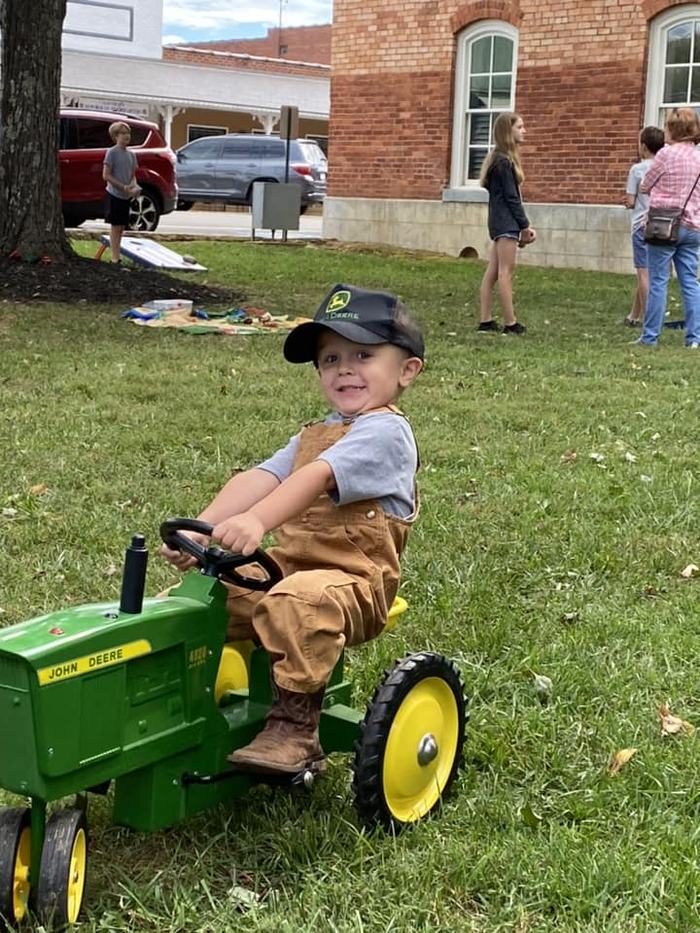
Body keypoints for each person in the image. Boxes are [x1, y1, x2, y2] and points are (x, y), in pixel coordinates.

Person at [160, 284, 424, 775]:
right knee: (203, 597)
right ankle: (175, 707)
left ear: (406, 370)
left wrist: (259, 521)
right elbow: (259, 478)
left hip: (356, 583)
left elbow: (316, 476)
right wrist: (203, 530)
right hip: (289, 567)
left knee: (298, 601)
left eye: (363, 354)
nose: (344, 367)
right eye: (330, 358)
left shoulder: (386, 432)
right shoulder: (315, 433)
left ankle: (294, 729)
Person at [636, 107, 700, 349]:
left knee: (659, 280)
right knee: (690, 282)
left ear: (673, 129)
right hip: (693, 225)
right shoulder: (698, 156)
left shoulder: (665, 154)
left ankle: (650, 337)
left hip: (663, 224)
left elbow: (645, 185)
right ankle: (694, 338)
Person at [478, 112, 537, 336]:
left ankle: (485, 320)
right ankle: (510, 323)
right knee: (505, 272)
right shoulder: (503, 162)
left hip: (499, 221)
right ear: (507, 131)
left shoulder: (498, 159)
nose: (524, 131)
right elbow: (513, 198)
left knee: (493, 271)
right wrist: (524, 226)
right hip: (506, 223)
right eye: (520, 127)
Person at [623, 126, 665, 327]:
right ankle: (634, 315)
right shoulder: (665, 166)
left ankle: (651, 320)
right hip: (663, 224)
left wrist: (629, 202)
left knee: (643, 273)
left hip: (641, 224)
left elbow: (631, 200)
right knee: (650, 271)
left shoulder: (637, 169)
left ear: (644, 146)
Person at [102, 121, 140, 265]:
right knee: (115, 225)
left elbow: (133, 175)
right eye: (123, 133)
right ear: (115, 136)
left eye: (128, 133)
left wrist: (133, 187)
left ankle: (117, 254)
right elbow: (106, 175)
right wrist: (122, 187)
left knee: (122, 226)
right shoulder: (111, 152)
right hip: (114, 194)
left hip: (126, 195)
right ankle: (114, 257)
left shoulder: (131, 155)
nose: (126, 136)